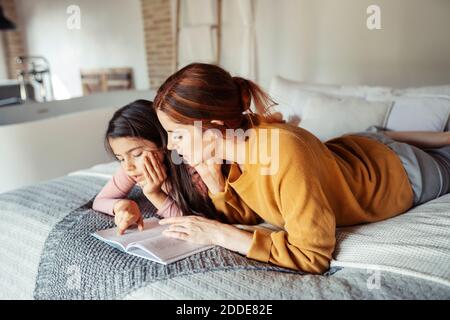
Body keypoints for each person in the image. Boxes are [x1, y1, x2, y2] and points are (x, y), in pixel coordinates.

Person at [152, 63, 450, 273]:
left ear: (215, 128)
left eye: (177, 135)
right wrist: (214, 180)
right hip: (352, 148)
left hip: (396, 173)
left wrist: (219, 235)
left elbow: (312, 256)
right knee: (373, 133)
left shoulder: (281, 152)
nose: (171, 146)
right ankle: (395, 134)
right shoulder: (234, 145)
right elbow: (253, 214)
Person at [92, 99, 216, 235]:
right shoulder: (131, 169)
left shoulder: (193, 168)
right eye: (120, 158)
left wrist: (155, 194)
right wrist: (121, 206)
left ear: (162, 142)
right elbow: (100, 201)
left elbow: (198, 226)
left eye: (137, 154)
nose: (128, 166)